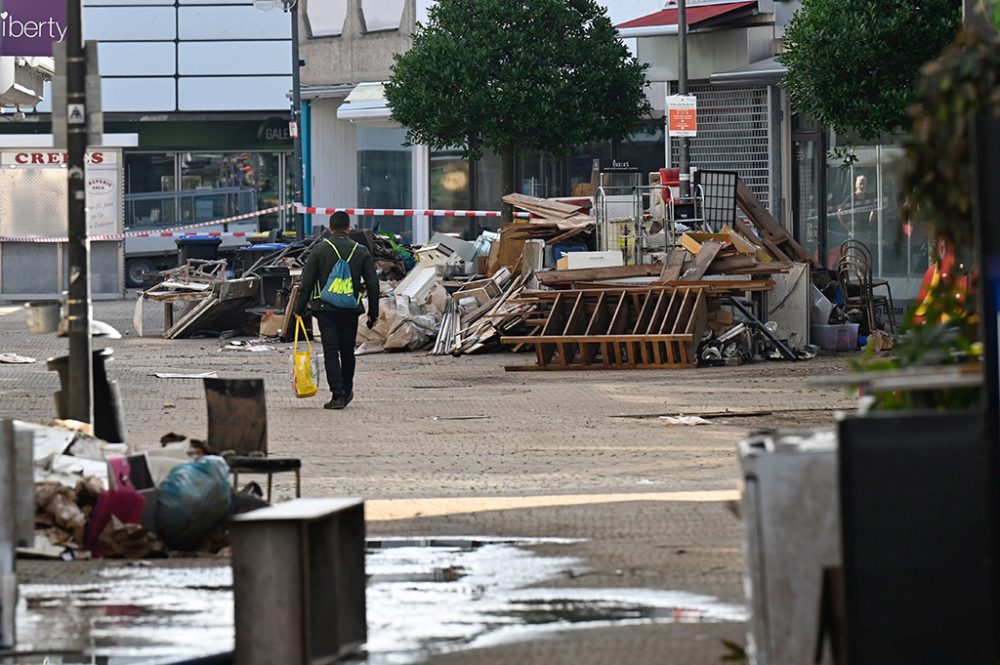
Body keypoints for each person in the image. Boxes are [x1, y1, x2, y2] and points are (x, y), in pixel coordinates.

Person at [294, 211, 379, 410]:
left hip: (325, 309)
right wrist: (372, 313)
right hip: (350, 309)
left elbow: (306, 283)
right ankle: (347, 389)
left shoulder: (319, 250)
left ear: (330, 228)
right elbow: (373, 285)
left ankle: (338, 395)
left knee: (331, 351)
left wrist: (298, 309)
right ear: (349, 228)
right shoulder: (361, 251)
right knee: (347, 350)